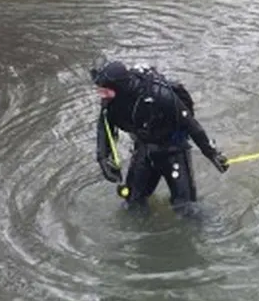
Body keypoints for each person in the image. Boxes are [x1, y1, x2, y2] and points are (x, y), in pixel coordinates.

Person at [91, 60, 230, 211]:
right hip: (145, 149)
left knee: (186, 207)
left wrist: (212, 153)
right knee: (132, 202)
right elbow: (104, 128)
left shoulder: (159, 94)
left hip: (174, 150)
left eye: (105, 91)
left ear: (120, 87)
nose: (102, 95)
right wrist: (103, 158)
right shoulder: (111, 103)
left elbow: (190, 124)